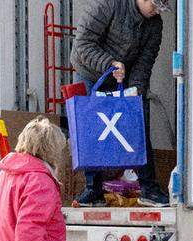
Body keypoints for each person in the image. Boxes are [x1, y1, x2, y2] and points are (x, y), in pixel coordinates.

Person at [72, 0, 171, 207]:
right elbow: (83, 44)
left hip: (123, 76)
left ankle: (149, 189)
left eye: (160, 7)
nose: (156, 11)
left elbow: (145, 61)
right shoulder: (106, 5)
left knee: (138, 125)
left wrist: (135, 93)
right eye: (154, 5)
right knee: (92, 128)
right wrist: (109, 63)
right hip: (91, 72)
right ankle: (93, 190)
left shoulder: (155, 24)